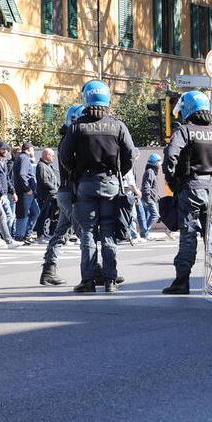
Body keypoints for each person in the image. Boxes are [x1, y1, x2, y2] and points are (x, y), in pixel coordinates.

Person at [60, 80, 135, 293]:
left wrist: (76, 171)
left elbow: (64, 155)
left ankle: (89, 280)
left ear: (86, 99)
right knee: (109, 233)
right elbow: (130, 155)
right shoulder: (118, 126)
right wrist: (117, 170)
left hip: (85, 184)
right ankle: (111, 281)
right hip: (111, 184)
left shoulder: (77, 126)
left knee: (88, 233)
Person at [161, 91, 212, 295]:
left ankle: (182, 281)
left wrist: (173, 182)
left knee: (188, 235)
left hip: (191, 189)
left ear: (189, 108)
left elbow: (171, 155)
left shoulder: (185, 131)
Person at [39, 105, 83, 287]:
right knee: (84, 232)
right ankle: (96, 269)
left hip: (64, 191)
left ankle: (48, 271)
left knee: (60, 233)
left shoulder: (66, 138)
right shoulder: (72, 140)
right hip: (71, 191)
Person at [13, 142, 39, 243]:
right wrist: (27, 189)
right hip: (25, 192)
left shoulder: (24, 158)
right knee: (23, 215)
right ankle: (19, 236)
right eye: (32, 149)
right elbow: (22, 175)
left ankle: (27, 234)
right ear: (28, 149)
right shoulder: (24, 158)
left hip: (29, 193)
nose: (33, 151)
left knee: (36, 212)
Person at [34, 148, 59, 243]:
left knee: (51, 215)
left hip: (52, 195)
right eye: (52, 156)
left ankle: (48, 234)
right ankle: (39, 236)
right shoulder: (41, 166)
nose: (53, 158)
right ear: (47, 155)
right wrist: (55, 189)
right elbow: (44, 181)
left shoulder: (48, 166)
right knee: (43, 215)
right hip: (45, 196)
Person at [140, 153, 161, 239]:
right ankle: (144, 232)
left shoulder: (152, 172)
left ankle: (145, 234)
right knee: (155, 215)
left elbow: (153, 187)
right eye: (159, 162)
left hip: (151, 198)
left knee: (149, 215)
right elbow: (146, 186)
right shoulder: (150, 172)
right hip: (149, 198)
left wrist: (157, 196)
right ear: (155, 162)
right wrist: (148, 199)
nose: (160, 164)